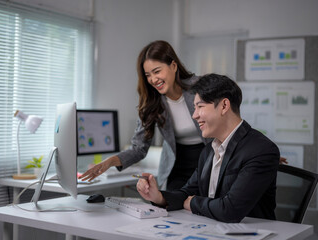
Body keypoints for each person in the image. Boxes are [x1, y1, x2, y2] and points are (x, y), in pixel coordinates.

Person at [136, 73, 280, 223]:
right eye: (194, 108)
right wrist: (157, 196)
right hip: (213, 230)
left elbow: (230, 210)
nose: (194, 115)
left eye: (200, 107)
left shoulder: (260, 150)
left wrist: (192, 203)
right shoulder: (209, 150)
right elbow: (187, 192)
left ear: (224, 106)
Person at [79, 40, 209, 190]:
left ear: (173, 66)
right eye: (148, 75)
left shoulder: (200, 87)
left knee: (204, 208)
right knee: (173, 207)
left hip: (208, 159)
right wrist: (109, 162)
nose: (153, 79)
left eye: (157, 71)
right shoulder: (152, 102)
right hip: (177, 164)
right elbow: (138, 148)